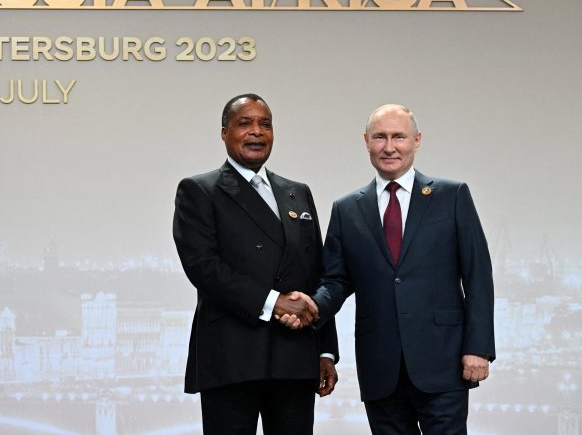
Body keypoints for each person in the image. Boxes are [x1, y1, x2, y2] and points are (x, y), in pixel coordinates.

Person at [282, 104, 495, 434]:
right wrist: (313, 306)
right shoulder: (346, 209)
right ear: (366, 141)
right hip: (380, 367)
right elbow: (336, 280)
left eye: (399, 136)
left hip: (444, 361)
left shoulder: (452, 196)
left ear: (417, 140)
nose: (390, 146)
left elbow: (478, 276)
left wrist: (478, 348)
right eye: (380, 137)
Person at [172, 93, 339, 435]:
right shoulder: (199, 191)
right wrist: (273, 302)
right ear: (224, 133)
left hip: (294, 356)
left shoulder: (297, 192)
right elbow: (203, 267)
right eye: (244, 123)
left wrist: (325, 352)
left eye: (265, 124)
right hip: (232, 357)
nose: (256, 132)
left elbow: (315, 273)